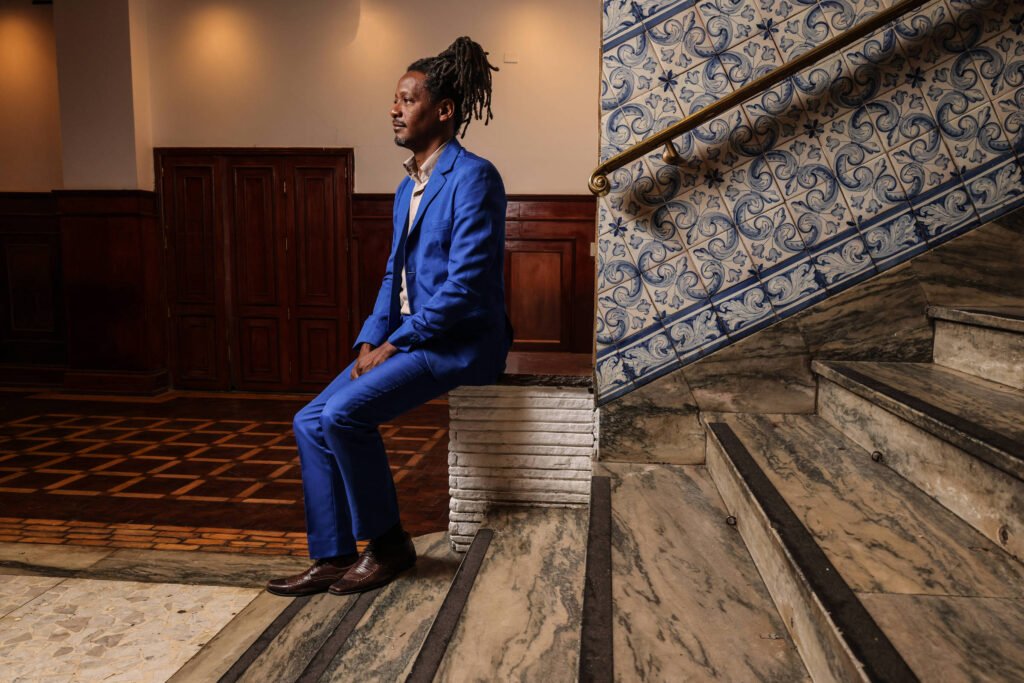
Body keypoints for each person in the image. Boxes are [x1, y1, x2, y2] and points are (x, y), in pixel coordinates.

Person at [267, 37, 512, 597]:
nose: (394, 109)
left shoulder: (474, 177)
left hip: (458, 342)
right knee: (309, 420)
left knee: (344, 415)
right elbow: (391, 276)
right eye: (395, 100)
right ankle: (332, 556)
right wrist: (369, 340)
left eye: (407, 99)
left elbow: (466, 287)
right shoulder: (407, 187)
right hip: (408, 338)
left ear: (443, 110)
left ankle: (389, 545)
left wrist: (396, 344)